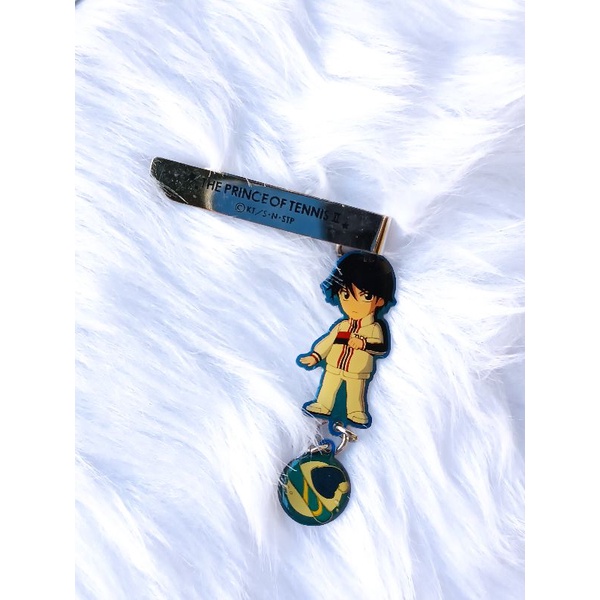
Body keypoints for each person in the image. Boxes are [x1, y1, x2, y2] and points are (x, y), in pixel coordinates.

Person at [297, 251, 396, 428]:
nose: (352, 304)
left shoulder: (374, 328)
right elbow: (328, 341)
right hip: (334, 365)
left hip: (357, 370)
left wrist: (364, 344)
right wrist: (316, 356)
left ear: (379, 301)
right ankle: (323, 405)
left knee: (355, 392)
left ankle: (355, 412)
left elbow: (381, 347)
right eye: (346, 294)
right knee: (328, 386)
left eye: (365, 296)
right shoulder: (342, 326)